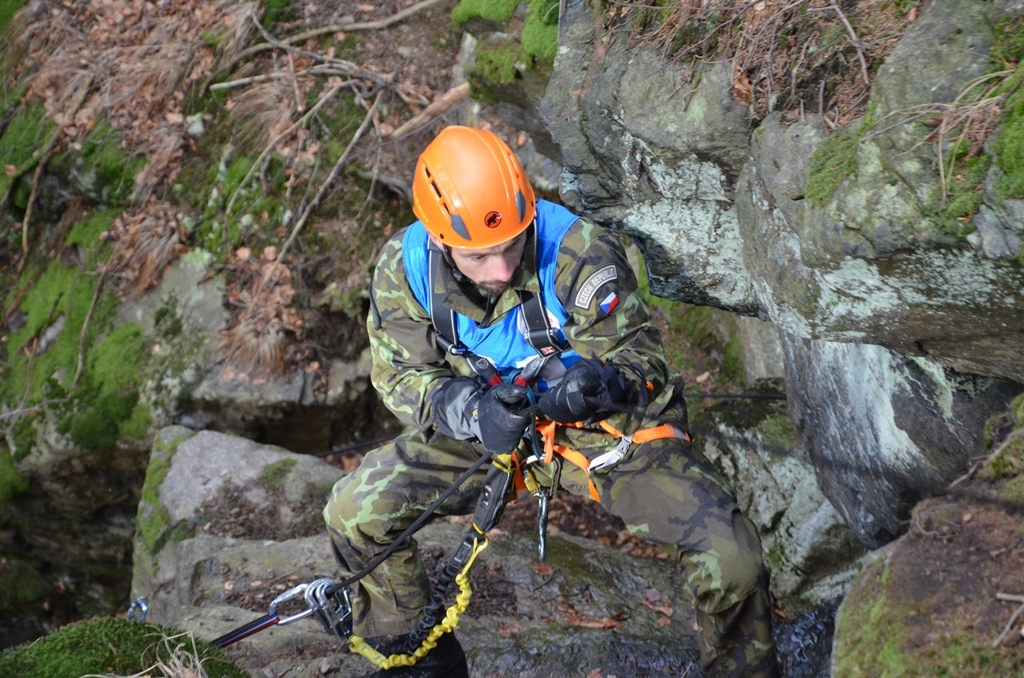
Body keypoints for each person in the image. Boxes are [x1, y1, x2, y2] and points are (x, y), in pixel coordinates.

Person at [322, 125, 778, 678]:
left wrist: (599, 384)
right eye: (481, 257)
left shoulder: (577, 251)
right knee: (354, 514)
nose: (504, 270)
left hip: (602, 432)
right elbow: (400, 377)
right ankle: (420, 663)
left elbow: (644, 363)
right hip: (487, 432)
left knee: (732, 560)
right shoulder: (406, 270)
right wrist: (469, 412)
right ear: (441, 242)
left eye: (512, 246)